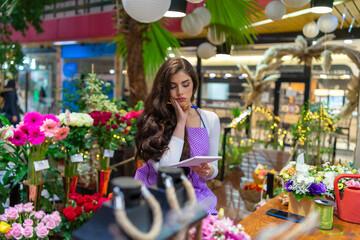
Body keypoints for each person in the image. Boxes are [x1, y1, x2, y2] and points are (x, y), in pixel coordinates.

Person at [134, 58, 220, 214]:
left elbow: (214, 168)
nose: (180, 92)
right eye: (173, 87)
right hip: (157, 193)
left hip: (194, 194)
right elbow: (165, 169)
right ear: (164, 90)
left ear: (194, 85)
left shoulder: (210, 119)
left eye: (185, 85)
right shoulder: (154, 119)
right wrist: (181, 122)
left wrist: (209, 171)